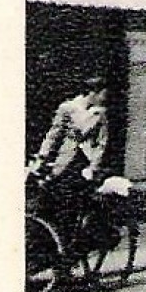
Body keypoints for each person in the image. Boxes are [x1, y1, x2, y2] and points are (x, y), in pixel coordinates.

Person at [28, 74, 111, 230]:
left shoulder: (100, 114)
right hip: (65, 159)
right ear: (92, 92)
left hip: (84, 162)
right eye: (101, 95)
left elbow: (101, 143)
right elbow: (53, 135)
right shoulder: (67, 108)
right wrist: (42, 157)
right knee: (53, 194)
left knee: (77, 200)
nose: (103, 100)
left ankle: (73, 234)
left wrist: (93, 166)